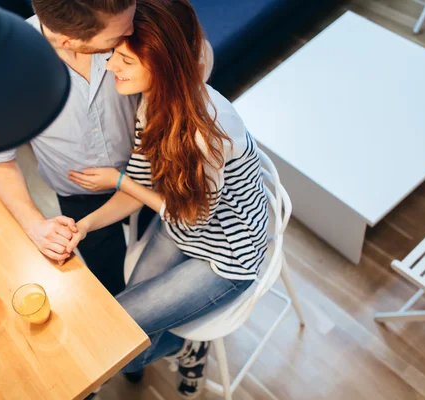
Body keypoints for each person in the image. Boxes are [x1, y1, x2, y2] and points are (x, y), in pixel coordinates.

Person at [65, 0, 269, 397]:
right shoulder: (152, 103)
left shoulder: (206, 133)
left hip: (226, 253)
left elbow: (191, 215)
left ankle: (189, 344)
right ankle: (181, 340)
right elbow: (142, 186)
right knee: (122, 330)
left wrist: (119, 180)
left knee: (119, 346)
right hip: (180, 227)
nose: (110, 69)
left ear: (160, 62)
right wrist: (83, 226)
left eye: (123, 60)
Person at [0, 0, 149, 296]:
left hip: (149, 172)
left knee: (160, 270)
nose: (131, 30)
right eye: (116, 38)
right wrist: (35, 225)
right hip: (81, 199)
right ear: (67, 41)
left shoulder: (127, 15)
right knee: (116, 288)